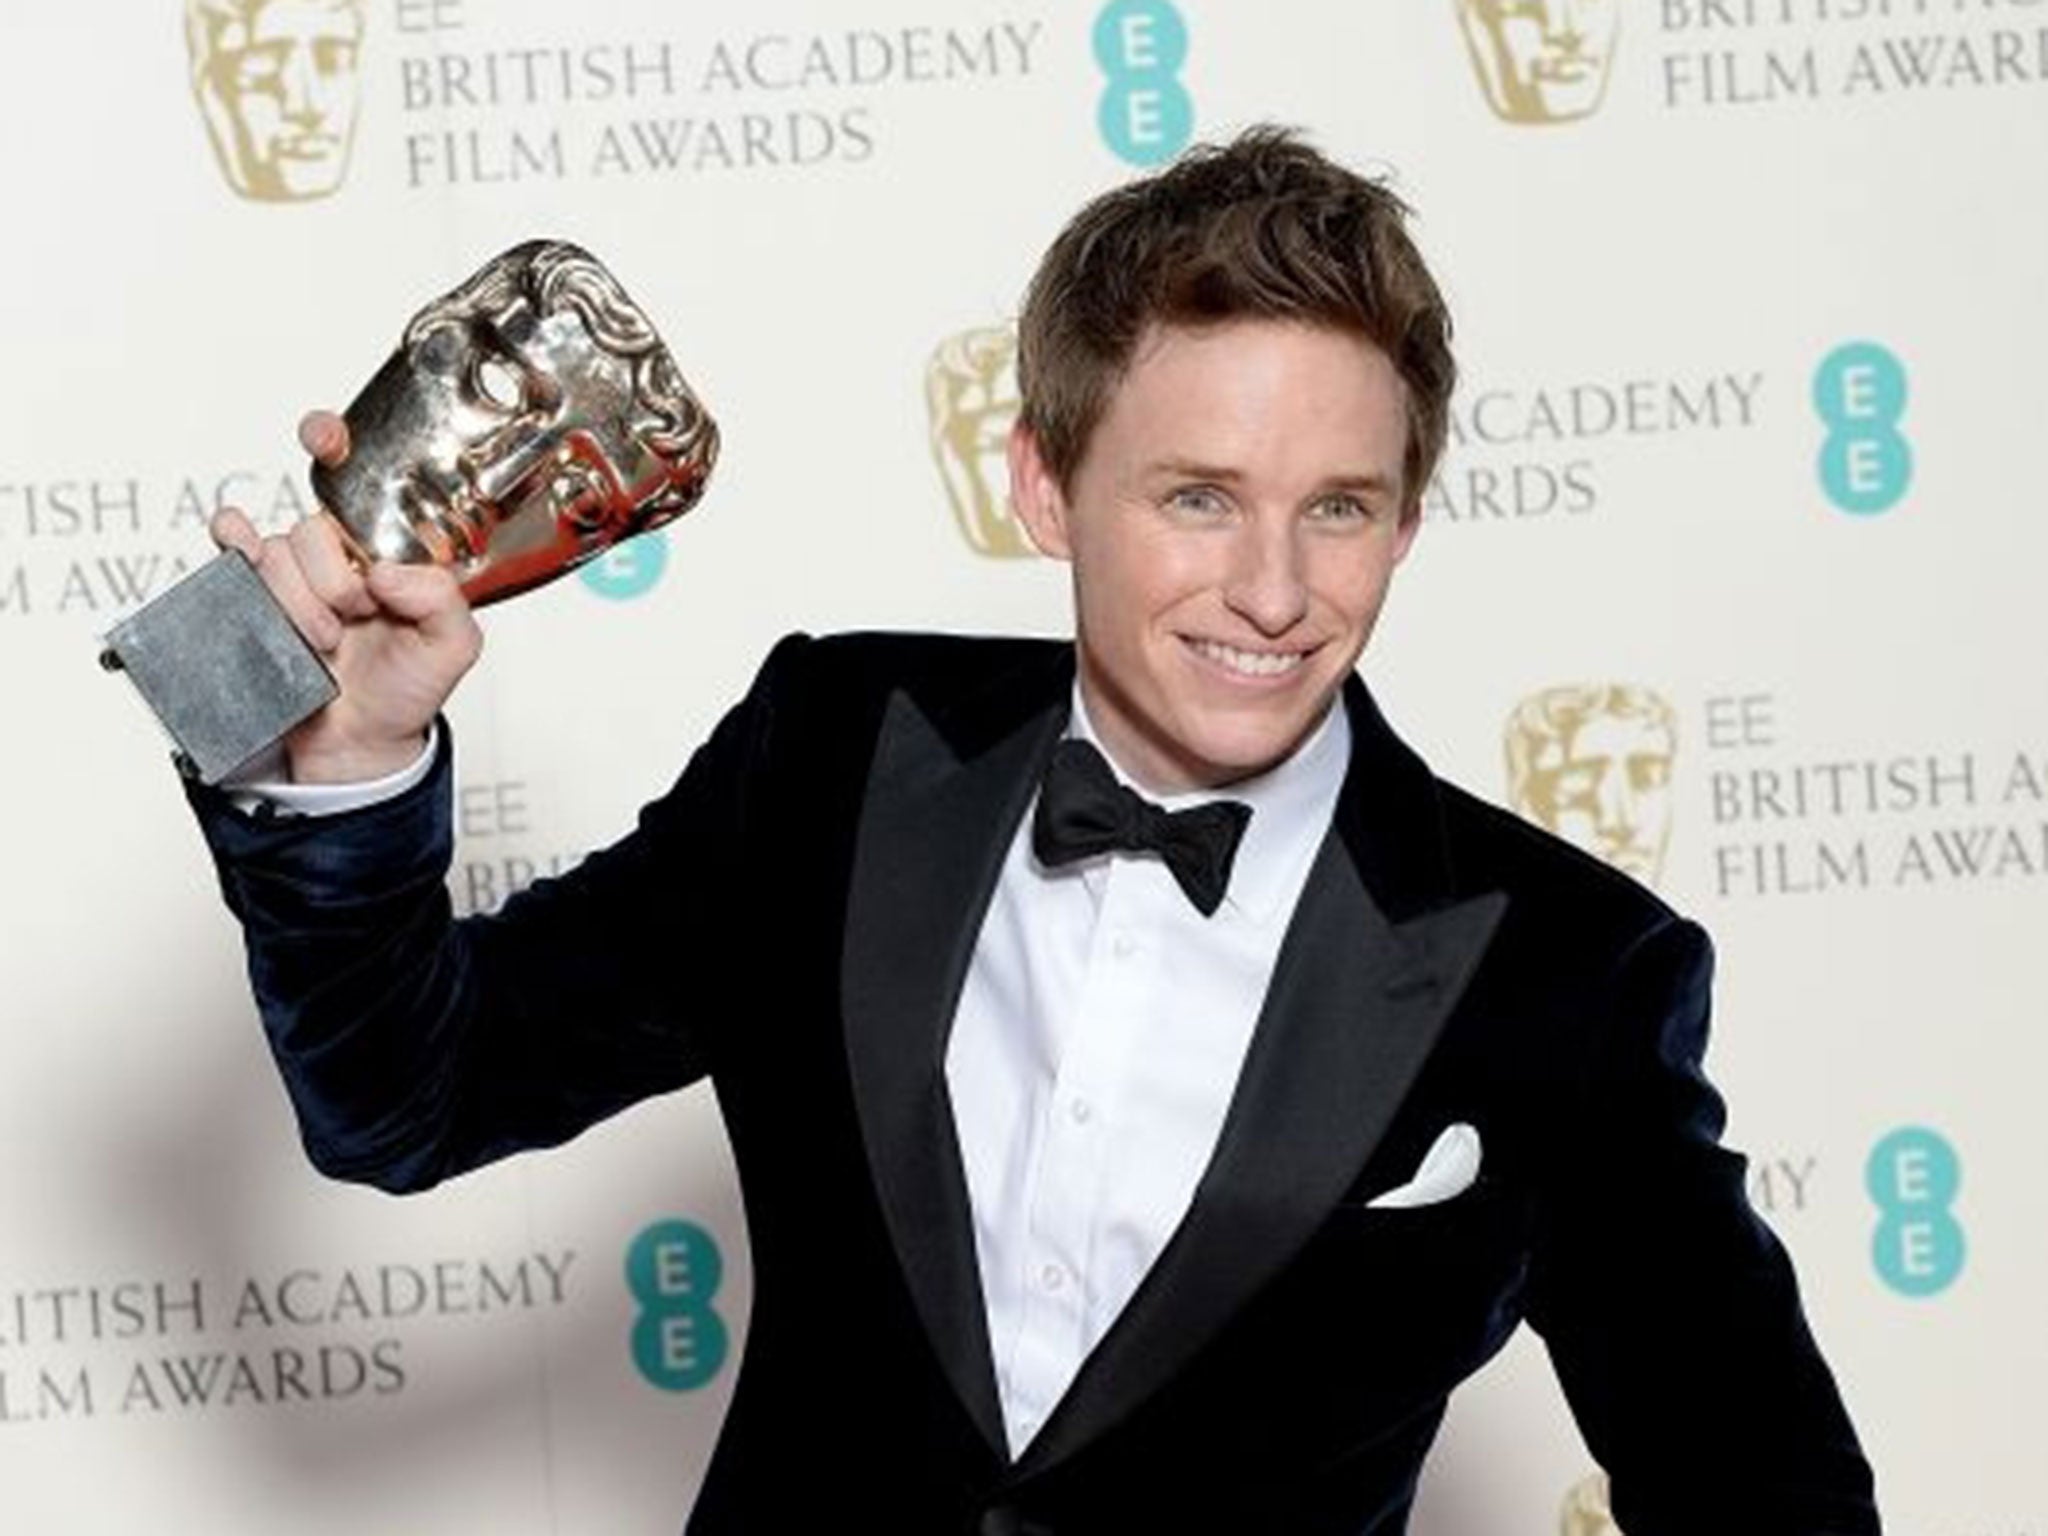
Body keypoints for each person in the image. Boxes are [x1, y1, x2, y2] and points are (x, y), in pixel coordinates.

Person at [192, 128, 1879, 1533]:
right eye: (1197, 497)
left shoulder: (1565, 970)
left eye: (1339, 510)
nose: (1275, 593)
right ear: (1043, 486)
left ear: (1408, 520)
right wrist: (344, 750)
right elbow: (404, 1100)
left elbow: (1765, 1487)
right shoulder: (839, 756)